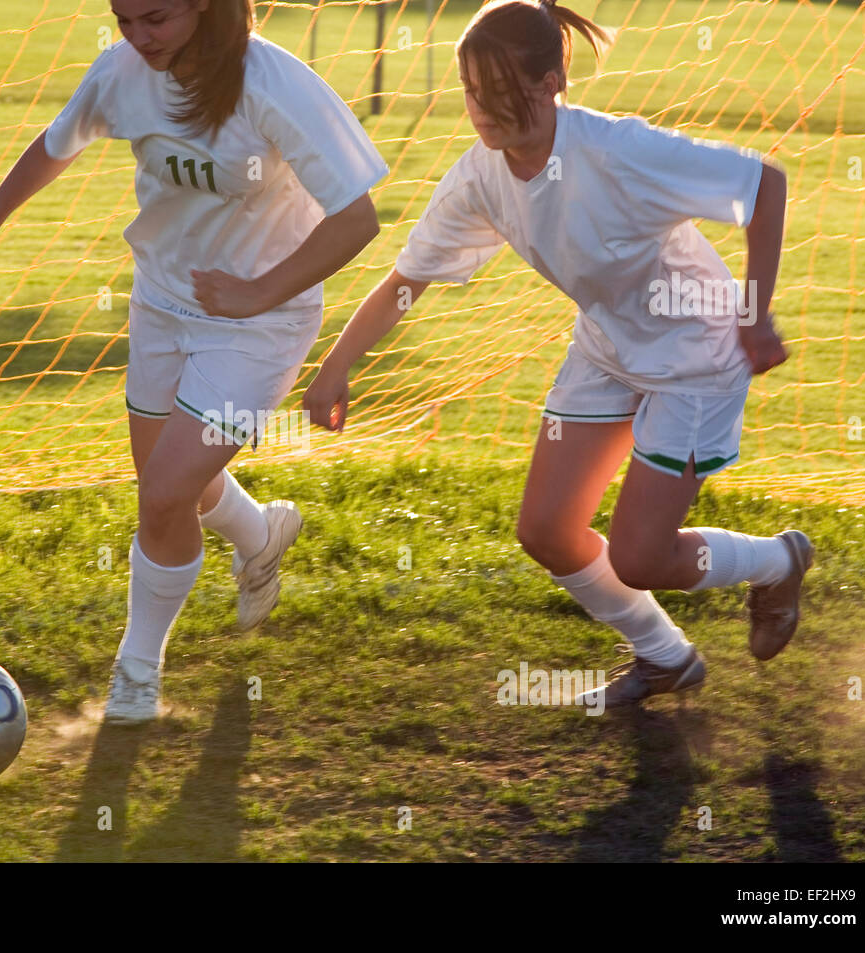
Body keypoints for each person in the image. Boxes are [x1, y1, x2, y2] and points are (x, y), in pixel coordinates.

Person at [304, 0, 812, 708]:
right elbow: (409, 278)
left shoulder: (616, 150)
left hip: (696, 356)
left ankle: (779, 560)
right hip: (607, 349)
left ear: (551, 82)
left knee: (638, 558)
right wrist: (337, 364)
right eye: (472, 93)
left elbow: (765, 185)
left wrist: (756, 318)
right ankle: (665, 656)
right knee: (546, 529)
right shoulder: (481, 173)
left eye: (502, 92)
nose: (483, 112)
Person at [0, 0, 388, 723]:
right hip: (160, 301)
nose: (139, 39)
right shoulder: (122, 71)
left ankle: (136, 675)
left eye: (156, 19)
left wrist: (256, 293)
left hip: (260, 322)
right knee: (173, 484)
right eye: (124, 20)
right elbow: (61, 141)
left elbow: (357, 217)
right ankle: (260, 534)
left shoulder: (273, 83)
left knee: (165, 493)